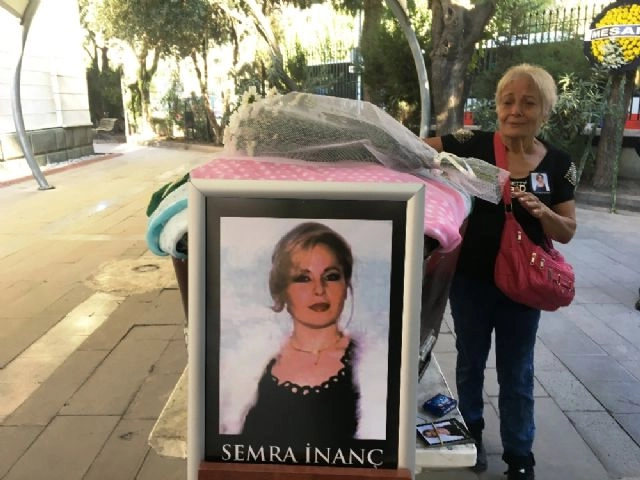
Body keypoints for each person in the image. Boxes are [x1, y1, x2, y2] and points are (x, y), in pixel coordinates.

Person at [423, 64, 577, 480]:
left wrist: (544, 212)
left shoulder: (559, 164)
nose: (515, 111)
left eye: (528, 103)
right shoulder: (472, 144)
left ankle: (519, 456)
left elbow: (567, 231)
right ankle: (471, 435)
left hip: (524, 288)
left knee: (517, 371)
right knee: (470, 363)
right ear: (497, 106)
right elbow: (417, 149)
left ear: (545, 111)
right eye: (508, 101)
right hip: (471, 283)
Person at [219, 221, 387, 448]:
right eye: (303, 278)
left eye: (331, 276)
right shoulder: (248, 368)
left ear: (346, 286)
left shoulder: (375, 368)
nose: (319, 290)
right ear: (281, 291)